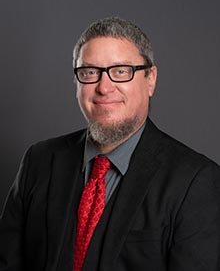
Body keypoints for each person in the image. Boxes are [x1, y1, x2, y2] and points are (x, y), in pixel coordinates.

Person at [0, 17, 220, 271]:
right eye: (90, 72)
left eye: (120, 71)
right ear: (77, 81)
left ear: (151, 79)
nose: (104, 87)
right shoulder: (39, 161)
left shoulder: (196, 181)